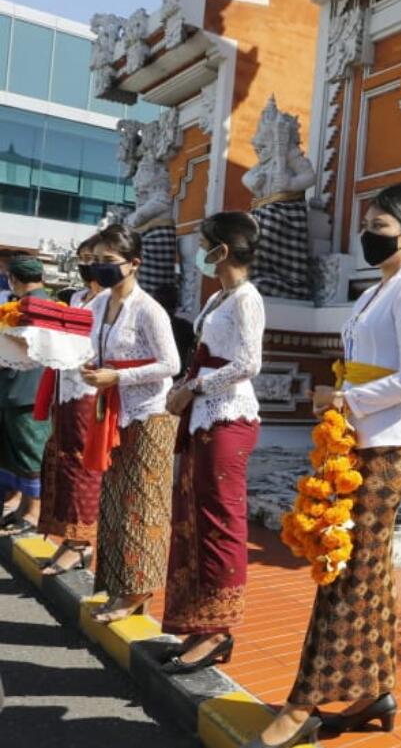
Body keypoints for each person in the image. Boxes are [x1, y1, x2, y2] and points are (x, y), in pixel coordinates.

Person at [249, 184, 401, 748]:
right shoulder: (372, 293)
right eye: (368, 224)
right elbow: (366, 365)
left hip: (393, 448)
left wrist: (345, 399)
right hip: (361, 442)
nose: (368, 235)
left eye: (380, 227)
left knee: (344, 569)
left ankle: (304, 700)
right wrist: (340, 392)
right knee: (370, 571)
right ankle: (374, 690)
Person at [160, 213, 265, 673]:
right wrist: (185, 387)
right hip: (203, 417)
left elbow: (248, 363)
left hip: (228, 416)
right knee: (195, 519)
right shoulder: (219, 297)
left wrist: (195, 388)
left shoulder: (247, 298)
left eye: (204, 244)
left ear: (222, 250)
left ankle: (220, 629)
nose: (199, 252)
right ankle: (200, 624)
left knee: (220, 520)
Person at [81, 224, 181, 624]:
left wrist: (118, 376)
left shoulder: (148, 309)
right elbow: (84, 343)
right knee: (115, 501)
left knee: (142, 506)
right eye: (96, 261)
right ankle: (120, 584)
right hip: (111, 410)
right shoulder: (98, 303)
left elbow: (170, 365)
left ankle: (138, 590)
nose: (100, 269)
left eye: (109, 262)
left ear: (134, 264)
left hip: (147, 415)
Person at [38, 238, 105, 574]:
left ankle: (80, 542)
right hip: (66, 385)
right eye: (83, 259)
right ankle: (65, 534)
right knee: (62, 457)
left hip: (90, 390)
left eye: (93, 259)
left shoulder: (110, 300)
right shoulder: (77, 297)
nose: (86, 265)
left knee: (82, 462)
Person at [0, 255, 54, 536]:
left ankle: (34, 511)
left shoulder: (39, 306)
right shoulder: (23, 304)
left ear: (15, 280)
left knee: (30, 451)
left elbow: (34, 345)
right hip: (15, 388)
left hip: (29, 390)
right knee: (14, 452)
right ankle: (22, 508)